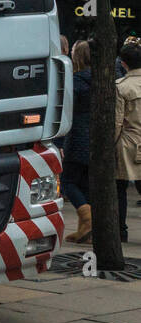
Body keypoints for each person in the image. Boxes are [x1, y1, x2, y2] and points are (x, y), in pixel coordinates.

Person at [64, 40, 94, 241]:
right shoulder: (106, 80)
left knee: (67, 181)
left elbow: (68, 113)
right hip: (97, 139)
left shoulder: (75, 82)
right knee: (84, 184)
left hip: (78, 138)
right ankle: (85, 229)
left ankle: (88, 218)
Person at [114, 42, 141, 244]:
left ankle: (121, 232)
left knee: (119, 188)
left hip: (127, 144)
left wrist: (110, 145)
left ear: (124, 64)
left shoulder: (121, 86)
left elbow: (117, 122)